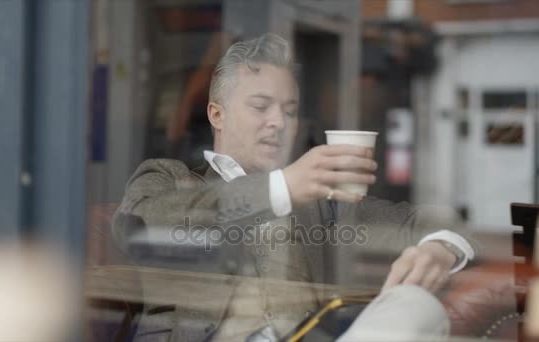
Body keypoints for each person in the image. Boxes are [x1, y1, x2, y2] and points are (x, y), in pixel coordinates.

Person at [113, 33, 478, 341]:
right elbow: (142, 224)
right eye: (261, 106)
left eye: (289, 111)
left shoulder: (316, 194)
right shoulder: (167, 178)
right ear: (216, 114)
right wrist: (282, 188)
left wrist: (441, 248)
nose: (279, 122)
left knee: (418, 306)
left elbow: (426, 220)